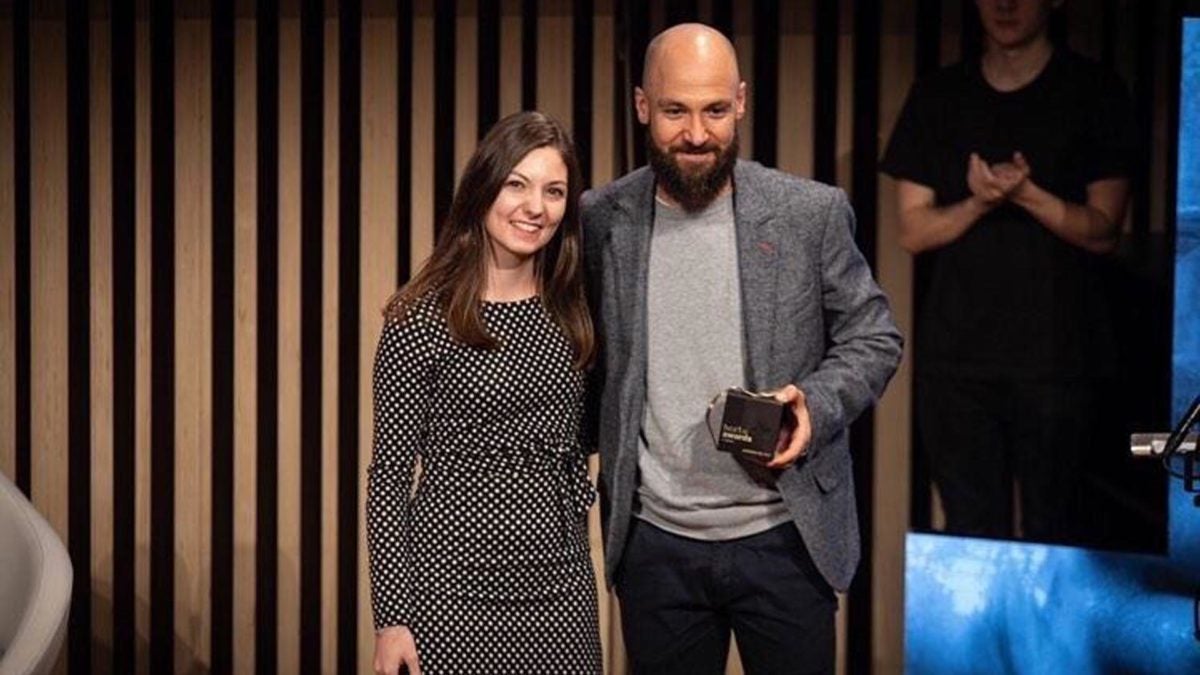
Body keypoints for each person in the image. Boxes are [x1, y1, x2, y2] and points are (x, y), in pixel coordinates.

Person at [582, 23, 902, 673]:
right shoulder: (602, 219)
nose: (697, 134)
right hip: (656, 548)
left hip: (785, 537)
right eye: (675, 110)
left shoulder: (809, 213)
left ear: (742, 102)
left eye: (715, 110)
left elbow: (875, 335)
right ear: (643, 105)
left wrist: (814, 403)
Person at [880, 0, 1137, 544]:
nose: (1005, 5)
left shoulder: (1094, 90)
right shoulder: (939, 95)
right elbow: (912, 231)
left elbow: (1105, 229)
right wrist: (978, 202)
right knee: (971, 534)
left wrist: (1025, 193)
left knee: (1058, 532)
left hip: (1061, 358)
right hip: (958, 360)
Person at [367, 111, 602, 675]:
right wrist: (391, 617)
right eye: (516, 184)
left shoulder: (575, 312)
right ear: (483, 188)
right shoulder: (419, 320)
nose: (534, 207)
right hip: (449, 589)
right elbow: (388, 478)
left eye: (554, 191)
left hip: (560, 585)